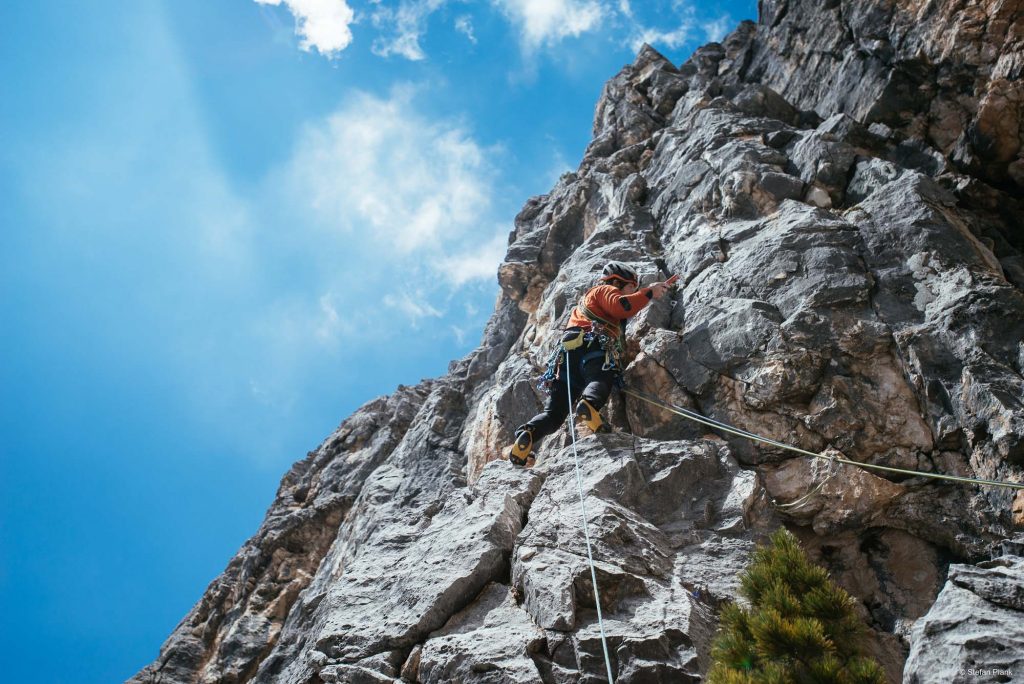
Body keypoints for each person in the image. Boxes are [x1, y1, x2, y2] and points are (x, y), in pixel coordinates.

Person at [508, 261, 673, 466]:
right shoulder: (605, 289)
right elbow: (621, 306)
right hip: (591, 345)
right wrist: (649, 292)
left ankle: (528, 435)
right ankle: (589, 404)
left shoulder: (585, 303)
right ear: (620, 281)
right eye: (632, 286)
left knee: (555, 413)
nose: (634, 290)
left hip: (567, 357)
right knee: (600, 377)